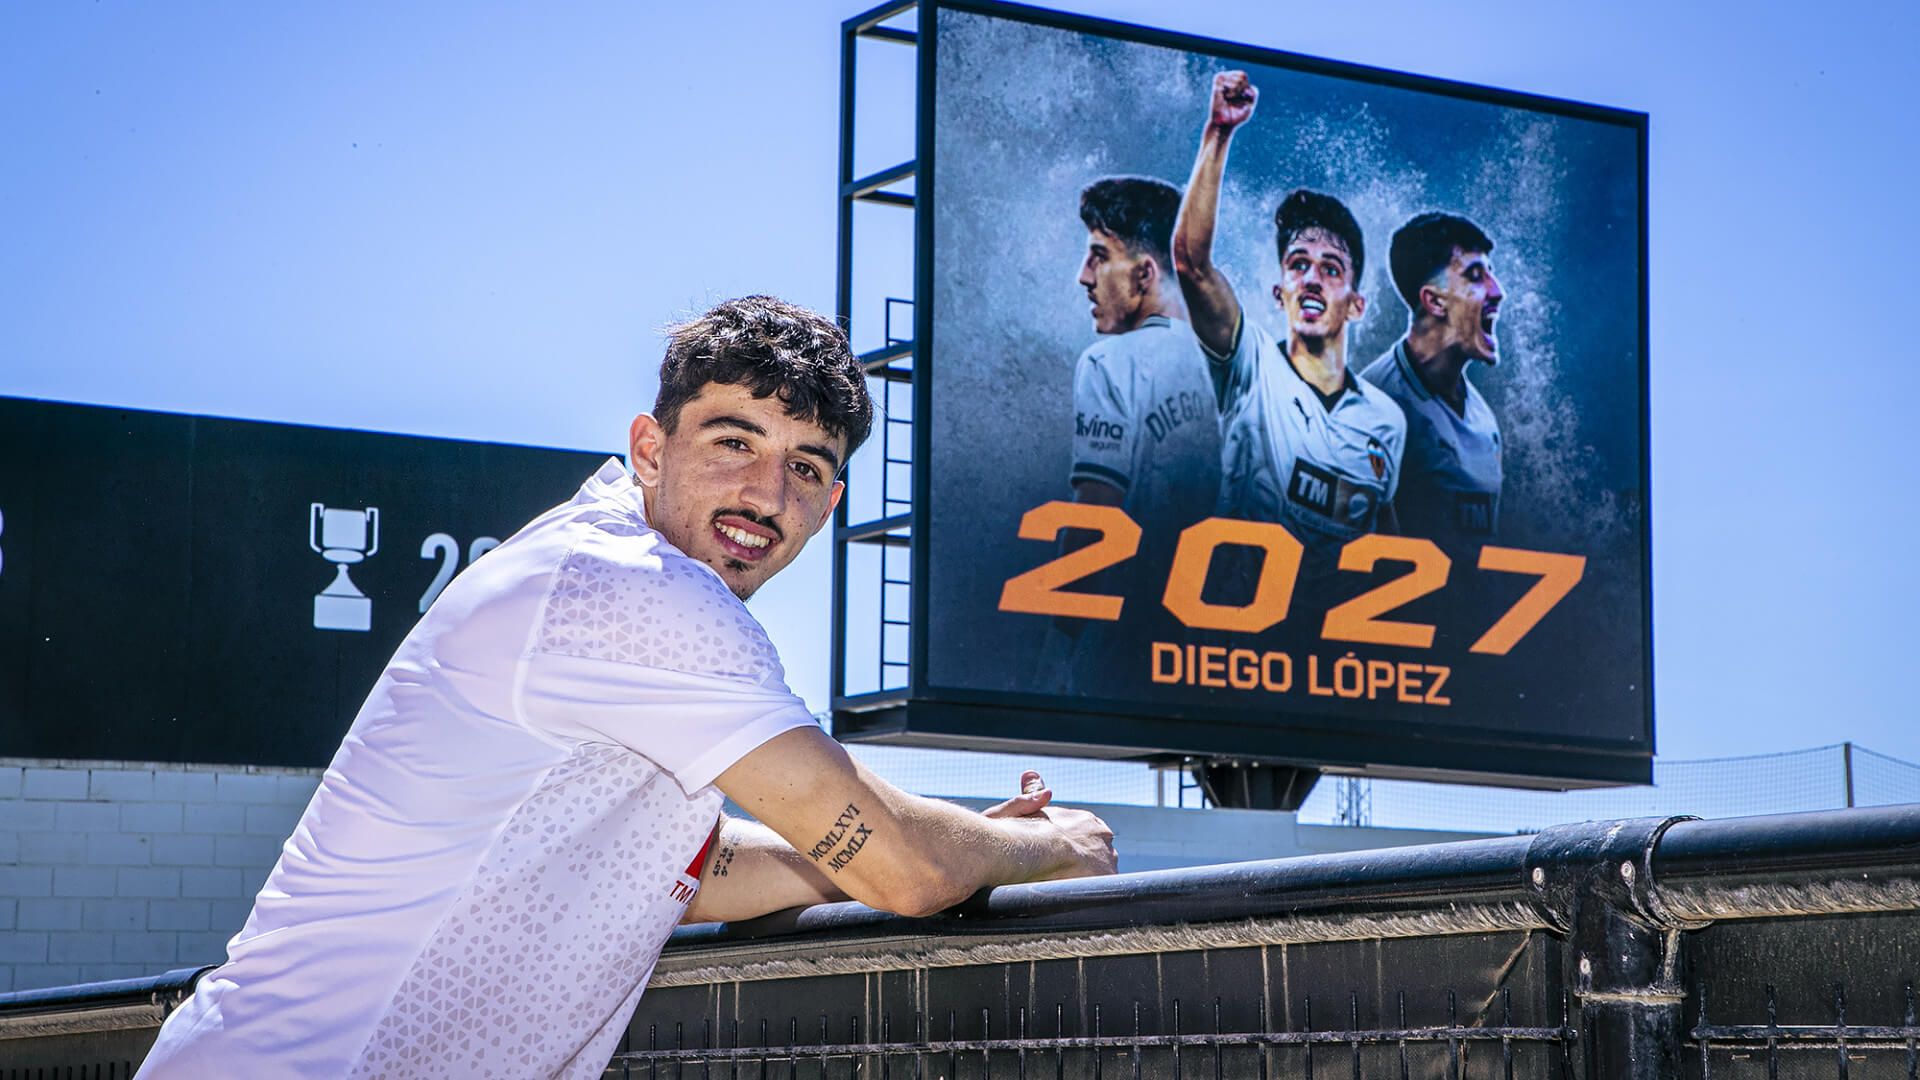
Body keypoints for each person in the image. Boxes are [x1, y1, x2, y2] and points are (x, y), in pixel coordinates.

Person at [135, 296, 1117, 1079]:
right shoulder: (639, 594)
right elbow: (907, 874)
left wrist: (943, 843)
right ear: (651, 448)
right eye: (733, 441)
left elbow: (678, 867)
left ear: (832, 501)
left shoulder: (595, 572)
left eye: (806, 465)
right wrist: (1044, 845)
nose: (766, 494)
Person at [1172, 70, 1406, 578]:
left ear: (1356, 304)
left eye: (1331, 268)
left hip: (1327, 655)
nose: (1312, 279)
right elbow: (1191, 263)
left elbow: (1386, 546)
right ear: (1280, 294)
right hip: (1237, 645)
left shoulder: (1387, 421)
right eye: (1298, 265)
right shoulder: (1250, 365)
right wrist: (1219, 132)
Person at [1045, 176, 1220, 692]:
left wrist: (1057, 647)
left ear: (1145, 273)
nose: (1084, 277)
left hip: (1133, 652)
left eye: (1099, 256)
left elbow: (1096, 517)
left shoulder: (1110, 362)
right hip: (1238, 657)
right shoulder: (1247, 369)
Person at [1359, 212, 1505, 543]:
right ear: (1435, 301)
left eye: (1491, 274)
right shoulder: (1372, 407)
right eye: (1475, 275)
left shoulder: (1484, 422)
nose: (1498, 292)